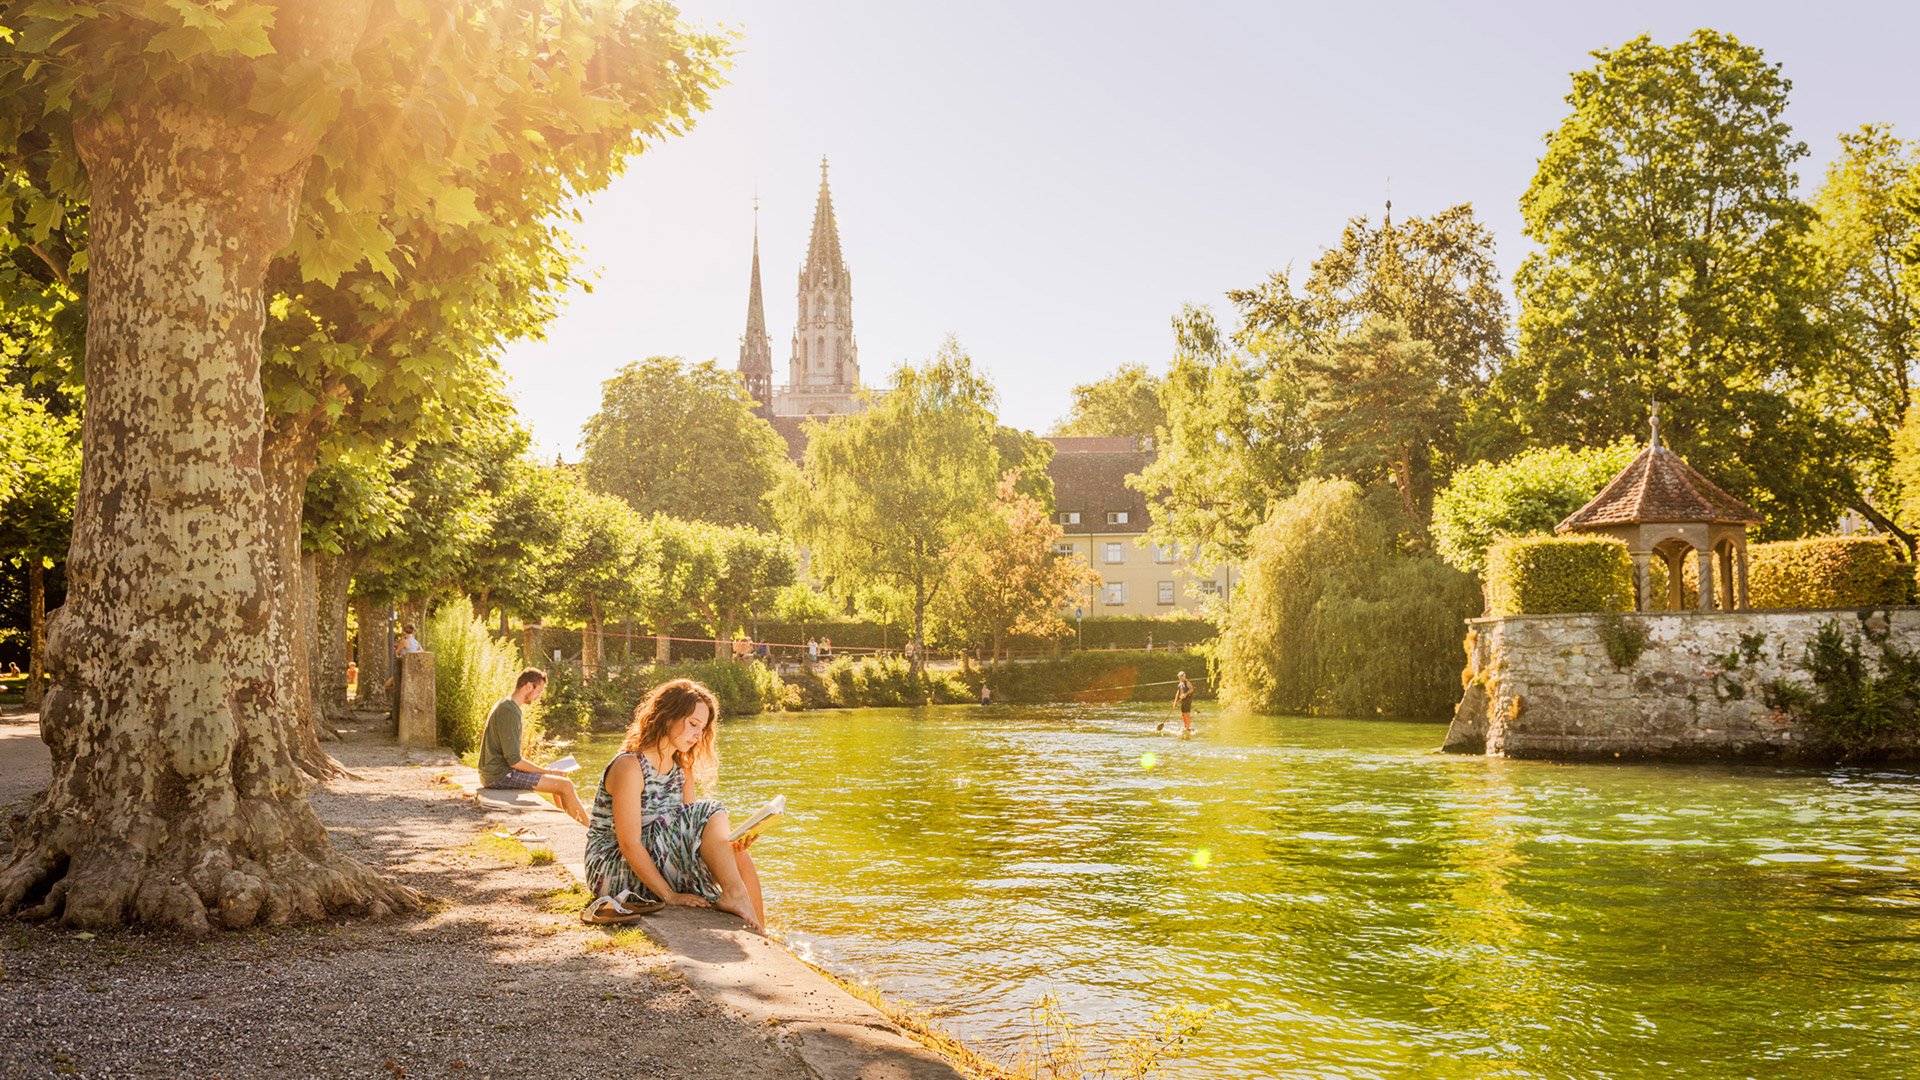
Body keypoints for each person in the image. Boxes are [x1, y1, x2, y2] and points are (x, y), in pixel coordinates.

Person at [583, 679, 764, 929]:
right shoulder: (630, 766)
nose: (698, 735)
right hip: (613, 870)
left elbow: (689, 834)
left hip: (657, 858)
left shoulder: (682, 771)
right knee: (712, 810)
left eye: (702, 728)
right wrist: (669, 895)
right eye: (693, 724)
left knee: (737, 853)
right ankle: (734, 895)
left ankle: (761, 932)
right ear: (668, 717)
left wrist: (727, 844)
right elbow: (628, 843)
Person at [478, 668, 588, 826]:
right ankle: (590, 832)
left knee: (561, 780)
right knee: (566, 785)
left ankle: (571, 823)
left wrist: (549, 772)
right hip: (499, 775)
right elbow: (514, 761)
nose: (539, 696)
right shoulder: (509, 711)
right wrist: (548, 771)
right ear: (529, 686)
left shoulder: (508, 706)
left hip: (497, 772)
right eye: (539, 691)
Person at [1174, 671, 1195, 735]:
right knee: (1183, 713)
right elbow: (1177, 693)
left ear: (1184, 676)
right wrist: (1175, 703)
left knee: (1186, 713)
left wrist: (1185, 694)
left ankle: (1188, 727)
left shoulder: (1187, 682)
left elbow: (1191, 689)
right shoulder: (1180, 684)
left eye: (1181, 676)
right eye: (1179, 676)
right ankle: (1186, 726)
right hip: (1182, 700)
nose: (1180, 677)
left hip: (1187, 699)